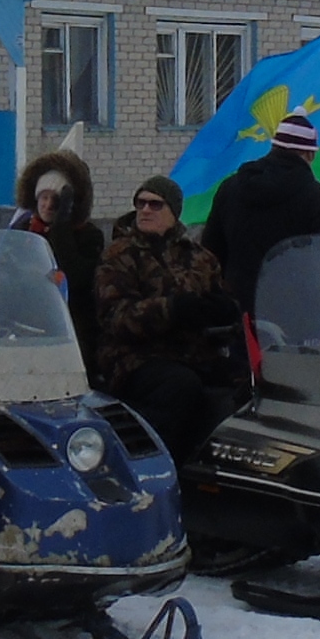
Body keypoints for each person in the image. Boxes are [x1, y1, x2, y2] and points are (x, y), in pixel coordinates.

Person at [94, 177, 236, 460]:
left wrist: (224, 311)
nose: (145, 210)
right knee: (179, 386)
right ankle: (154, 461)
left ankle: (215, 465)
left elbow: (221, 302)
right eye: (141, 203)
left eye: (155, 204)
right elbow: (115, 317)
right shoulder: (120, 255)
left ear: (174, 211)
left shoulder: (200, 258)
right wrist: (172, 309)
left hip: (192, 353)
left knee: (243, 383)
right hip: (134, 357)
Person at [202, 114, 320, 309]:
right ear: (310, 155)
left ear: (274, 146)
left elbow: (210, 252)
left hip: (237, 311)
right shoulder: (319, 199)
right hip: (296, 313)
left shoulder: (230, 188)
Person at [7, 148, 104, 377]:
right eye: (44, 197)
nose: (48, 205)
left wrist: (61, 226)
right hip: (25, 327)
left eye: (57, 200)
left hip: (72, 330)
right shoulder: (22, 231)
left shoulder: (89, 236)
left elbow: (74, 276)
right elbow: (5, 275)